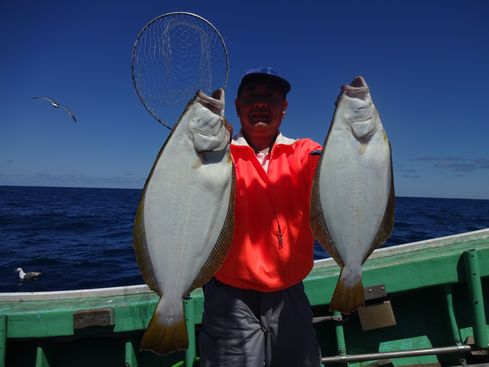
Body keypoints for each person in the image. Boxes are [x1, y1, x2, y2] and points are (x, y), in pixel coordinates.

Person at [199, 66, 322, 367]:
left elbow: (337, 173)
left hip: (291, 292)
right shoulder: (216, 154)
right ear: (238, 106)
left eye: (271, 96)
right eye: (252, 96)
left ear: (284, 108)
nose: (260, 103)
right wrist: (203, 143)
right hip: (229, 296)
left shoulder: (305, 151)